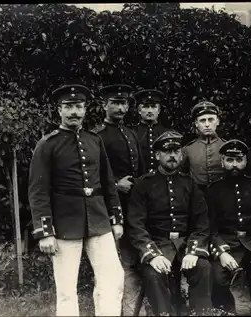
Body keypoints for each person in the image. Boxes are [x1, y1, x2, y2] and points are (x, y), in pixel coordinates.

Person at [28, 84, 124, 316]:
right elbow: (38, 191)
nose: (74, 113)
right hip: (64, 224)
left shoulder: (94, 140)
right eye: (69, 107)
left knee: (113, 278)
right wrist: (45, 231)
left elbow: (107, 182)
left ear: (85, 109)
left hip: (99, 220)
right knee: (66, 289)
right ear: (59, 110)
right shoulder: (47, 145)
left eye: (79, 107)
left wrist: (116, 218)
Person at [127, 130, 212, 316]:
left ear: (181, 154)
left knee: (203, 267)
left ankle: (201, 313)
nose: (172, 155)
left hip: (184, 244)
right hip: (158, 243)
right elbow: (136, 225)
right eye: (167, 151)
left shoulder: (190, 184)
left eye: (176, 151)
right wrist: (153, 255)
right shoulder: (144, 184)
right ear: (157, 155)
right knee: (153, 273)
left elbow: (202, 223)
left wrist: (193, 251)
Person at [92, 84, 145, 316]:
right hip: (108, 209)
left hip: (132, 208)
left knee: (132, 259)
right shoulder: (97, 136)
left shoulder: (131, 133)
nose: (121, 107)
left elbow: (140, 171)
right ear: (105, 105)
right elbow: (91, 175)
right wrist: (115, 185)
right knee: (110, 265)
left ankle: (133, 309)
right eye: (115, 102)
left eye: (124, 103)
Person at [207, 139, 251, 315]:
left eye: (239, 160)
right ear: (222, 161)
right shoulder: (213, 190)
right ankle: (226, 311)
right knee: (217, 275)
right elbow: (209, 226)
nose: (234, 165)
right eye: (230, 160)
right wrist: (221, 252)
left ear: (245, 161)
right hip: (228, 244)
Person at [182, 101, 226, 194]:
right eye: (202, 120)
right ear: (196, 124)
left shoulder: (226, 147)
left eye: (211, 120)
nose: (207, 124)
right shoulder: (188, 149)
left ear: (217, 121)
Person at [133, 89, 170, 174]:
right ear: (139, 110)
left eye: (153, 107)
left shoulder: (166, 133)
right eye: (145, 106)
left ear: (159, 110)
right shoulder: (132, 133)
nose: (150, 110)